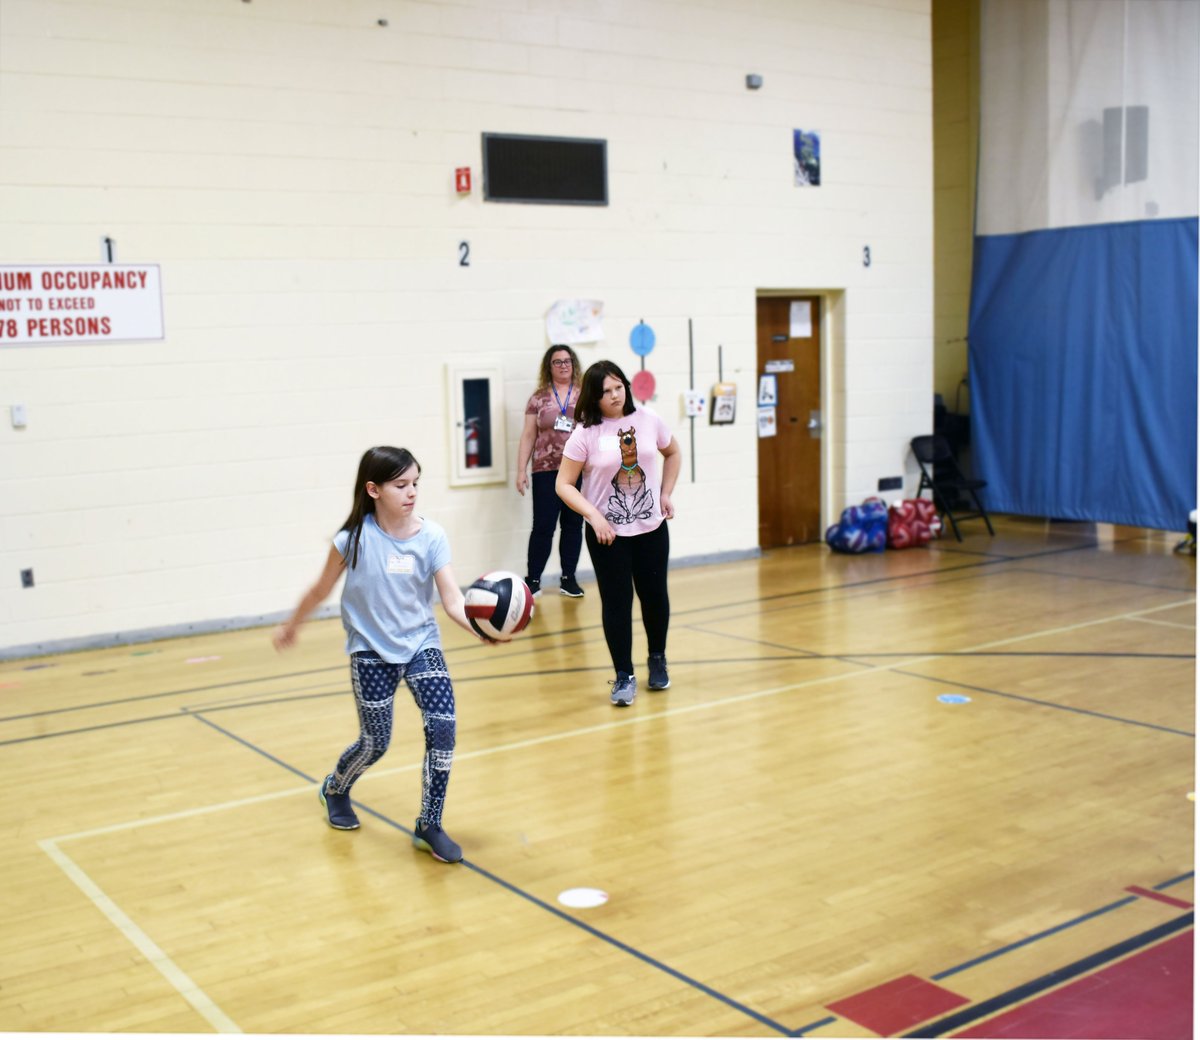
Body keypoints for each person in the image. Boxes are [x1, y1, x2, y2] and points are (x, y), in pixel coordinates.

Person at [273, 445, 491, 864]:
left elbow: (451, 599)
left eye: (415, 484)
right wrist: (292, 626)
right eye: (400, 485)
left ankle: (429, 824)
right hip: (370, 650)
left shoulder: (432, 536)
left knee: (443, 729)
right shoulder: (352, 539)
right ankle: (335, 788)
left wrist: (480, 629)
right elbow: (320, 590)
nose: (411, 493)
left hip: (420, 645)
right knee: (376, 742)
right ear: (373, 489)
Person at [556, 361, 681, 707]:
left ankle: (657, 658)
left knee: (655, 596)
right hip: (607, 534)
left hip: (651, 528)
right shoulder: (585, 433)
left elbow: (672, 452)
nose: (614, 396)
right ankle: (624, 675)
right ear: (593, 398)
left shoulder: (648, 419)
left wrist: (666, 493)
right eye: (605, 392)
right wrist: (593, 516)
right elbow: (564, 485)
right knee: (617, 602)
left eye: (618, 387)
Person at [515, 344, 586, 599]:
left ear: (573, 364)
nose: (563, 365)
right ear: (549, 366)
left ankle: (569, 578)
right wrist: (521, 470)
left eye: (567, 361)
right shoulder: (538, 398)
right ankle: (533, 580)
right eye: (557, 362)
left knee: (573, 524)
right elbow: (527, 436)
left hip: (577, 471)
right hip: (545, 470)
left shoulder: (584, 395)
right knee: (543, 526)